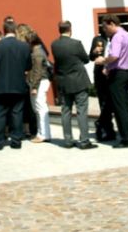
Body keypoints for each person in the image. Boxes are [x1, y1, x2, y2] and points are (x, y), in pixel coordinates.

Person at [0, 18, 32, 150]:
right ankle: (16, 141)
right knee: (17, 113)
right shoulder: (24, 46)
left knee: (0, 114)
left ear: (4, 30)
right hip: (19, 84)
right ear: (15, 30)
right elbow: (28, 66)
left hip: (2, 85)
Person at [51, 20, 97, 150]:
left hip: (63, 81)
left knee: (65, 111)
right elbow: (86, 59)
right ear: (70, 29)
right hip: (78, 80)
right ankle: (84, 140)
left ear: (59, 30)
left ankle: (68, 140)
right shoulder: (76, 43)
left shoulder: (54, 44)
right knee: (81, 111)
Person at [95, 15, 128, 148]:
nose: (104, 30)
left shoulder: (117, 37)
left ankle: (126, 139)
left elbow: (114, 55)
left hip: (118, 75)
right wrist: (108, 67)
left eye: (105, 27)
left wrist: (103, 61)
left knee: (120, 107)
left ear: (112, 24)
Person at [89, 35, 116, 142]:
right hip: (100, 75)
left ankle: (100, 122)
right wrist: (94, 52)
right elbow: (91, 57)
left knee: (112, 102)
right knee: (103, 103)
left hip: (113, 73)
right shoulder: (98, 39)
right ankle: (109, 131)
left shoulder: (117, 38)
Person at [27, 32, 52, 143]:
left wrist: (34, 86)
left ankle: (42, 134)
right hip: (41, 82)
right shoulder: (40, 51)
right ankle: (44, 134)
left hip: (39, 82)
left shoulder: (37, 53)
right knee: (41, 108)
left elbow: (37, 71)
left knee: (40, 109)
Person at [16, 23, 38, 139]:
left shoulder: (19, 46)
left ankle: (23, 129)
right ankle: (30, 129)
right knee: (29, 105)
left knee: (22, 105)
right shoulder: (30, 45)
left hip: (21, 77)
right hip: (29, 76)